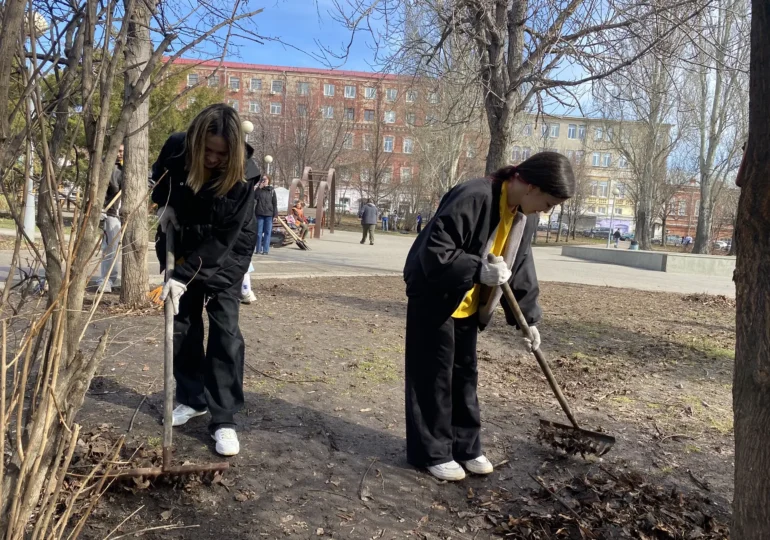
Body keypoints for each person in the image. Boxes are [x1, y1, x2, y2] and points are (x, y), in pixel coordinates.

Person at [402, 152, 575, 482]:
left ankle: (466, 447)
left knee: (465, 375)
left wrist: (529, 319)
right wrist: (477, 269)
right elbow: (436, 251)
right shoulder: (475, 195)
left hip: (471, 302)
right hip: (435, 294)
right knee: (433, 375)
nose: (547, 211)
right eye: (548, 202)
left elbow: (520, 267)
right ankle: (433, 452)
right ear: (530, 186)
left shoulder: (525, 217)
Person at [151, 104, 259, 457]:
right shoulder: (177, 147)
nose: (212, 159)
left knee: (225, 333)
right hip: (180, 242)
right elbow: (161, 177)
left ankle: (224, 418)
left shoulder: (245, 176)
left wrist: (184, 276)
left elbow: (224, 240)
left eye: (221, 154)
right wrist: (164, 204)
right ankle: (191, 397)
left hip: (226, 255)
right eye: (207, 151)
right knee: (182, 325)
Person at [96, 144, 124, 293]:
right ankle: (106, 280)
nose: (120, 154)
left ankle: (119, 280)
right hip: (112, 213)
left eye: (123, 152)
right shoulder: (108, 168)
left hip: (128, 214)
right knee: (110, 249)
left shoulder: (131, 167)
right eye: (118, 151)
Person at [254, 174, 278, 255]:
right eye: (263, 179)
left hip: (269, 214)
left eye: (266, 179)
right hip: (260, 213)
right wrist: (259, 188)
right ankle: (258, 249)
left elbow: (275, 203)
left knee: (267, 232)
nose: (264, 181)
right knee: (258, 232)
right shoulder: (259, 189)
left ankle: (265, 250)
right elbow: (254, 197)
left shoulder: (272, 191)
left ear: (269, 180)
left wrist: (275, 215)